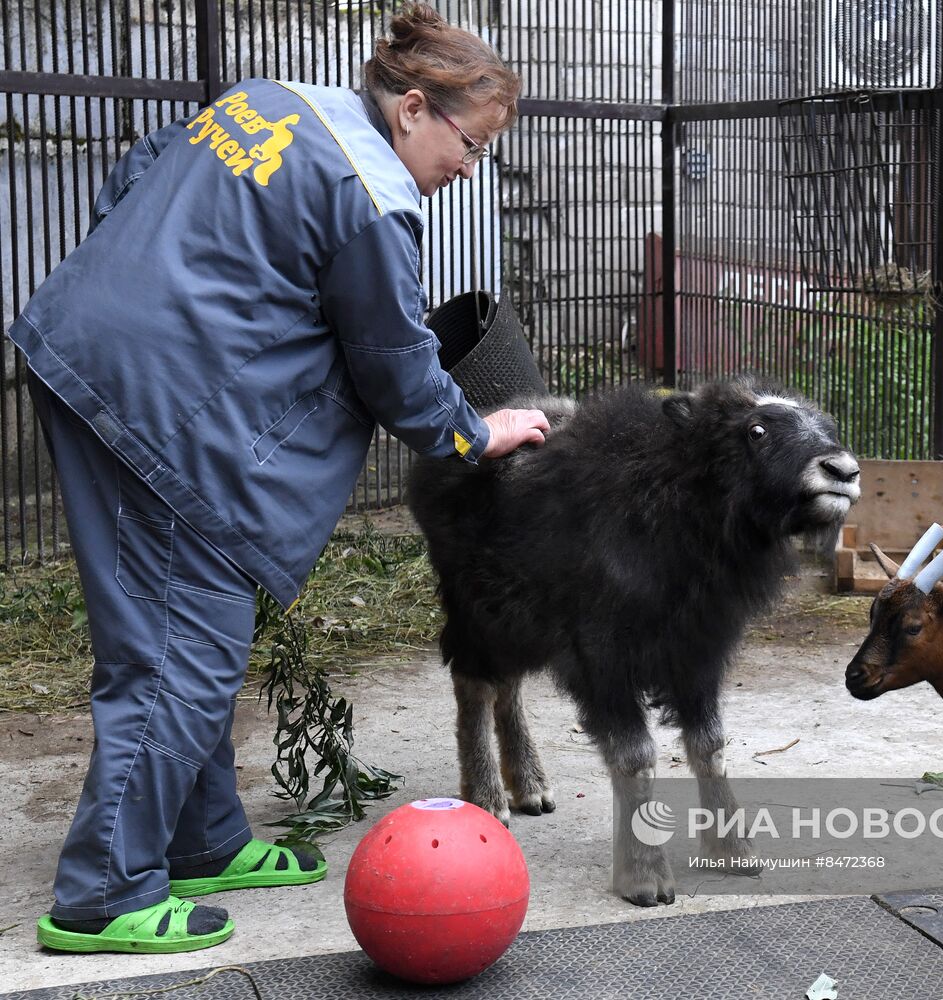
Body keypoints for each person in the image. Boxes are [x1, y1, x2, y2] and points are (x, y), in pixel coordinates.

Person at [9, 2, 549, 954]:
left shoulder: (271, 102)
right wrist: (477, 433)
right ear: (413, 108)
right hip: (161, 408)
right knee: (180, 649)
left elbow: (139, 169)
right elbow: (395, 367)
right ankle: (104, 896)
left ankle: (202, 840)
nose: (469, 167)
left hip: (94, 352)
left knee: (185, 629)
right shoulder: (372, 197)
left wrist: (142, 286)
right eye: (469, 144)